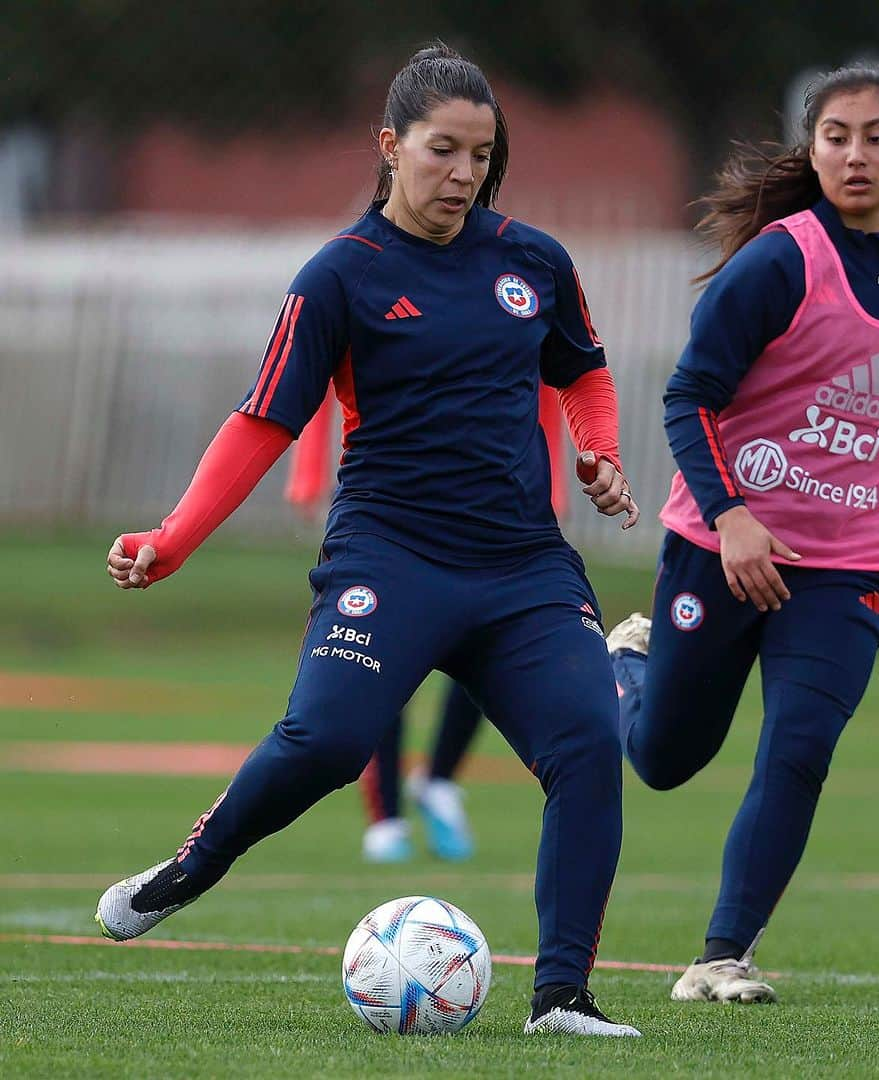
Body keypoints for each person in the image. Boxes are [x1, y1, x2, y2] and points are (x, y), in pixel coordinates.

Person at [95, 43, 642, 1038]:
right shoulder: (340, 277)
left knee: (590, 746)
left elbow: (586, 376)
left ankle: (562, 996)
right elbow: (263, 421)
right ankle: (189, 868)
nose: (465, 175)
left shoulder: (534, 261)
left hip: (523, 567)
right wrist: (173, 539)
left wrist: (597, 452)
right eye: (444, 152)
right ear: (391, 146)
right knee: (330, 743)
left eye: (482, 155)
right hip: (390, 558)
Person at [606, 62, 879, 1005]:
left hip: (846, 562)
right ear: (813, 149)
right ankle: (627, 667)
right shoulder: (778, 259)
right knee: (666, 761)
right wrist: (733, 520)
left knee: (800, 744)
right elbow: (688, 396)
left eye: (877, 135)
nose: (856, 153)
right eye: (837, 135)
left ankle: (722, 957)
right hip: (723, 546)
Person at [286, 385, 570, 863]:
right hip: (389, 503)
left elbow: (545, 387)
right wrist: (309, 475)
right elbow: (321, 374)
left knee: (491, 639)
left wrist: (551, 486)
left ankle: (439, 780)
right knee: (375, 651)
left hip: (488, 503)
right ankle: (388, 816)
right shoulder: (381, 311)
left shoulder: (520, 309)